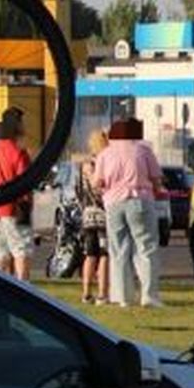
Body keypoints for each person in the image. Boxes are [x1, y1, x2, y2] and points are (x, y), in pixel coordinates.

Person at [92, 118, 164, 308]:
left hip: (113, 203)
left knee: (118, 250)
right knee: (146, 247)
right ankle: (149, 296)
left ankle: (123, 297)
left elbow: (97, 183)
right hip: (140, 199)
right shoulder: (143, 150)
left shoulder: (105, 154)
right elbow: (157, 179)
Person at [0, 109, 34, 280]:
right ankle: (24, 289)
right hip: (15, 209)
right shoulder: (19, 153)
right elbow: (24, 184)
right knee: (21, 251)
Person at [77, 129, 111, 304]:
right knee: (104, 254)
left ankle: (86, 292)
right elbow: (99, 188)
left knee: (90, 254)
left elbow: (81, 190)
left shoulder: (85, 164)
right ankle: (102, 294)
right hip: (103, 214)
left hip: (88, 214)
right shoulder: (100, 163)